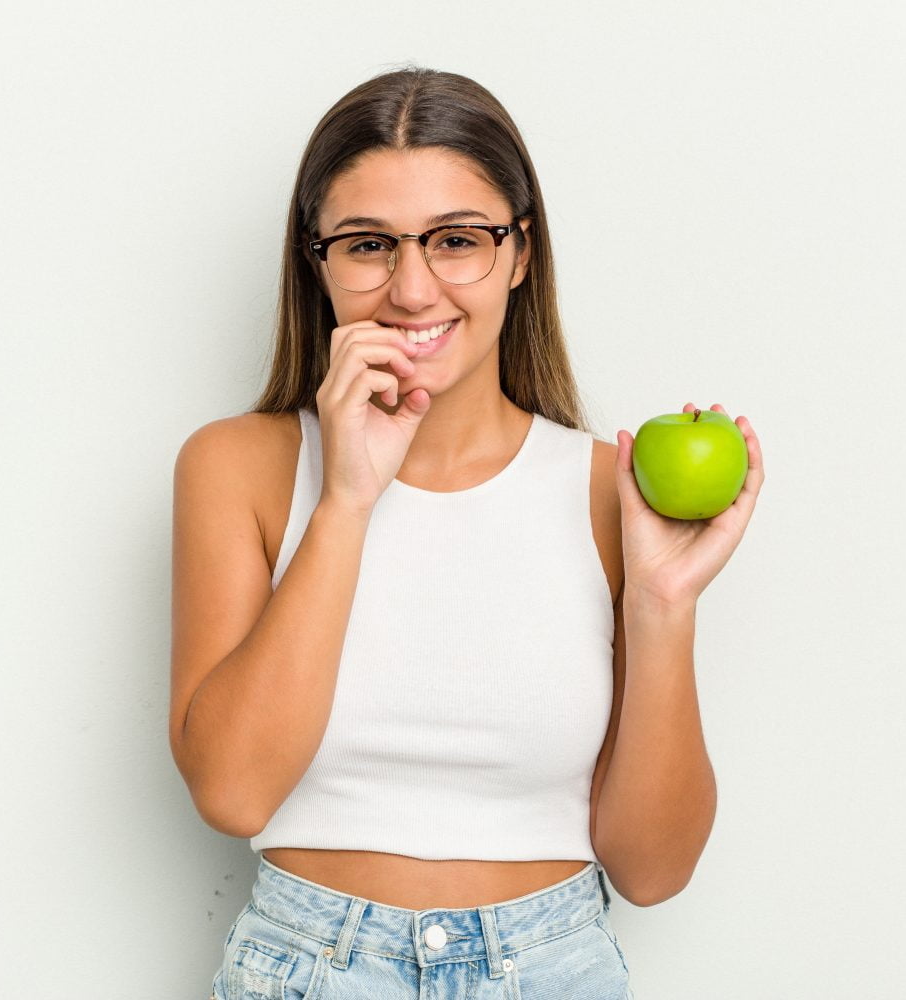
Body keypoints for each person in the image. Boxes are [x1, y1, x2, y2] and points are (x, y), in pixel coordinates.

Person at [171, 65, 764, 1000]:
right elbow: (233, 792)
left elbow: (651, 871)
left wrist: (662, 602)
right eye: (369, 244)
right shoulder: (237, 467)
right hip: (309, 970)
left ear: (521, 254)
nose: (412, 289)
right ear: (316, 260)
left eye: (457, 240)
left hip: (555, 966)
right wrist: (348, 501)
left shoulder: (612, 489)